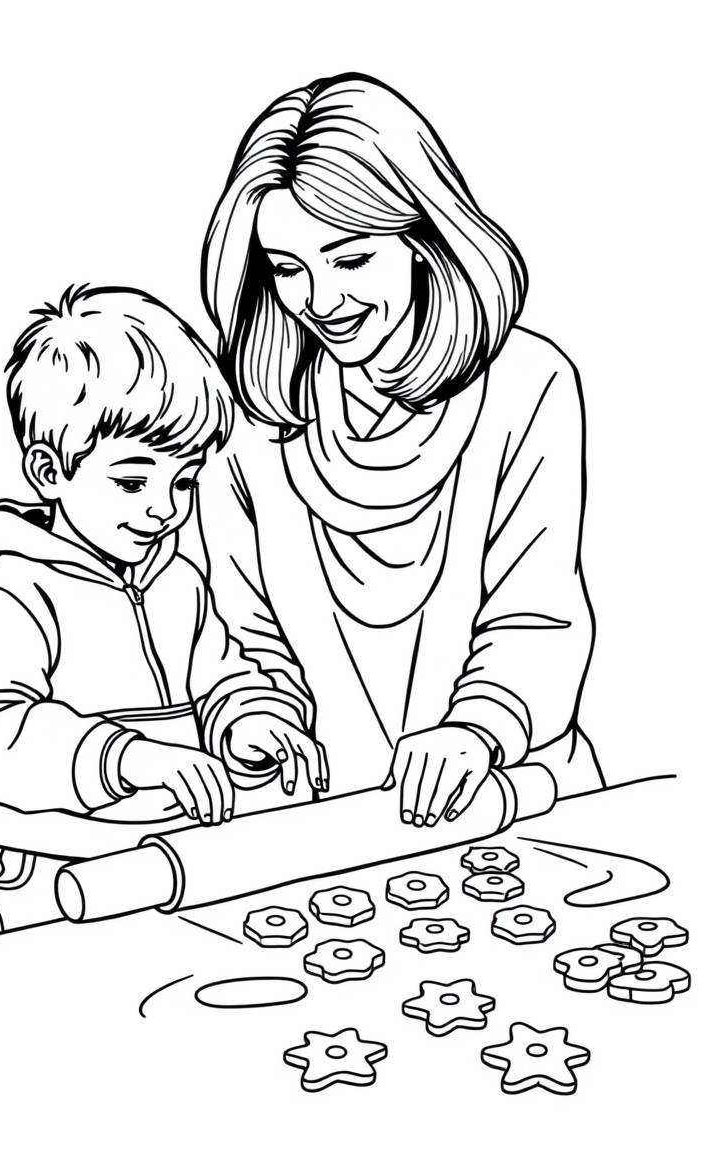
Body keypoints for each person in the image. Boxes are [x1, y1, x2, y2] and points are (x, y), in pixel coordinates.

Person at [197, 72, 603, 827]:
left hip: (512, 805)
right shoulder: (246, 419)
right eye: (287, 269)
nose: (320, 301)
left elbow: (537, 615)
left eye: (350, 260)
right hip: (329, 831)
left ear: (426, 240)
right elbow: (240, 635)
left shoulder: (528, 386)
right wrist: (254, 717)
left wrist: (476, 729)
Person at [0, 285, 325, 936]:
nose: (164, 509)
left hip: (167, 859)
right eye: (133, 481)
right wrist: (125, 758)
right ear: (49, 471)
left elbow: (226, 676)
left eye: (184, 482)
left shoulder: (179, 582)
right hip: (46, 870)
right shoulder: (10, 588)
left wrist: (254, 721)